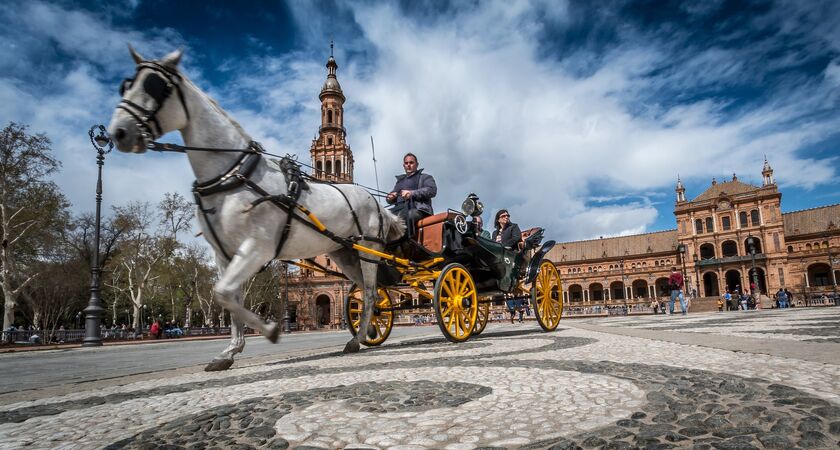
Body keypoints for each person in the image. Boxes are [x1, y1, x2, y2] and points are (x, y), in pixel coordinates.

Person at [385, 153, 437, 237]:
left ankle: (404, 241)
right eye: (406, 163)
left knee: (406, 216)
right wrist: (390, 197)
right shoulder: (400, 182)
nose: (408, 165)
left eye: (411, 162)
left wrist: (411, 193)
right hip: (399, 210)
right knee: (383, 218)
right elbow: (390, 198)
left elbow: (431, 190)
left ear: (417, 164)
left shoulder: (425, 177)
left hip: (419, 210)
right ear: (404, 165)